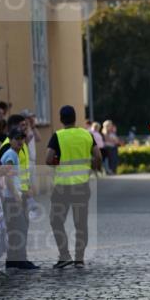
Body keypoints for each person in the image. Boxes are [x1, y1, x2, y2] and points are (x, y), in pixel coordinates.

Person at [46, 105, 102, 269]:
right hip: (81, 186)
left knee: (56, 221)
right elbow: (97, 156)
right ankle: (79, 259)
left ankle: (64, 256)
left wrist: (59, 162)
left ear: (61, 119)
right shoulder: (87, 134)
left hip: (62, 187)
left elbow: (48, 159)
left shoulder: (57, 136)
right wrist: (90, 170)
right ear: (75, 117)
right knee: (81, 223)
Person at [0, 127, 40, 270]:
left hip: (13, 196)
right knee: (20, 228)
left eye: (22, 138)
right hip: (12, 197)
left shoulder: (13, 154)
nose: (20, 141)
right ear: (10, 140)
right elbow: (8, 177)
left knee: (15, 229)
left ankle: (13, 260)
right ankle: (20, 260)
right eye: (16, 139)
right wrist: (16, 195)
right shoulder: (11, 155)